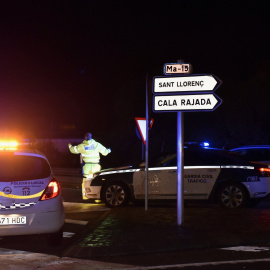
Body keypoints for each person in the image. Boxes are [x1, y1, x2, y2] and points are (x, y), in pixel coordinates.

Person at [68, 132, 111, 200]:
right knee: (97, 181)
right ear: (91, 137)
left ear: (85, 137)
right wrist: (109, 150)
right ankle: (97, 198)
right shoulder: (97, 145)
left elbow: (72, 150)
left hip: (87, 166)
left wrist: (70, 145)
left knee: (86, 181)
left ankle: (85, 197)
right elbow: (105, 152)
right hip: (96, 166)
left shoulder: (82, 146)